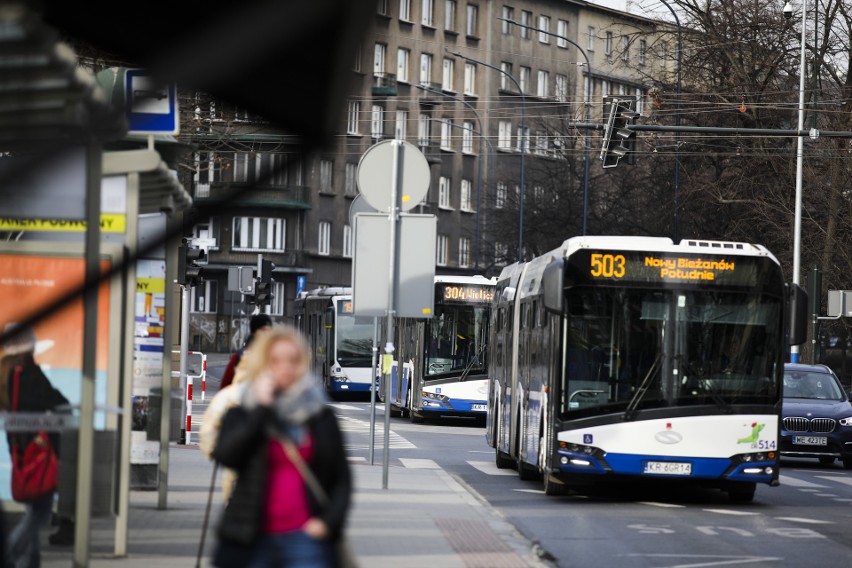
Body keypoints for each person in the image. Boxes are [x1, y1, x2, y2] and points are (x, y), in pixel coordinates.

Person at [212, 325, 351, 568]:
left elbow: (342, 478)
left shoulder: (320, 415)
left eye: (293, 360)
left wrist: (328, 522)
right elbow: (226, 455)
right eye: (275, 361)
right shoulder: (244, 409)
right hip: (252, 535)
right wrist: (261, 410)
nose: (285, 368)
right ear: (262, 364)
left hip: (306, 536)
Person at [0, 324, 69, 567]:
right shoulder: (27, 372)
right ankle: (8, 556)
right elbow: (57, 400)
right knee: (39, 513)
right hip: (37, 451)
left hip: (20, 447)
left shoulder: (7, 371)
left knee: (33, 510)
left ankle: (30, 563)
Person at [220, 314, 272, 390]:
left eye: (269, 330)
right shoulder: (240, 356)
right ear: (254, 332)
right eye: (263, 330)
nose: (267, 334)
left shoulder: (275, 356)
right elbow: (225, 388)